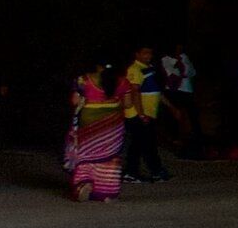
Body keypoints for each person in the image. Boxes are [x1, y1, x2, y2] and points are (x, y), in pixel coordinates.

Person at [63, 64, 127, 202]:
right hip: (113, 124)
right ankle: (107, 192)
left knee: (86, 154)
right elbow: (128, 104)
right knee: (110, 158)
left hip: (89, 121)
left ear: (97, 65)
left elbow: (75, 101)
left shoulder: (84, 80)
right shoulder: (123, 81)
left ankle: (84, 183)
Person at [119, 45, 171, 184]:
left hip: (148, 113)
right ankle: (134, 172)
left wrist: (172, 108)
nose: (148, 56)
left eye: (150, 53)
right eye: (145, 53)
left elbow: (156, 91)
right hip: (138, 114)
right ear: (137, 54)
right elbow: (134, 92)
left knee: (145, 143)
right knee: (140, 144)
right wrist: (141, 114)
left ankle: (151, 171)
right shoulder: (135, 69)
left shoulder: (149, 69)